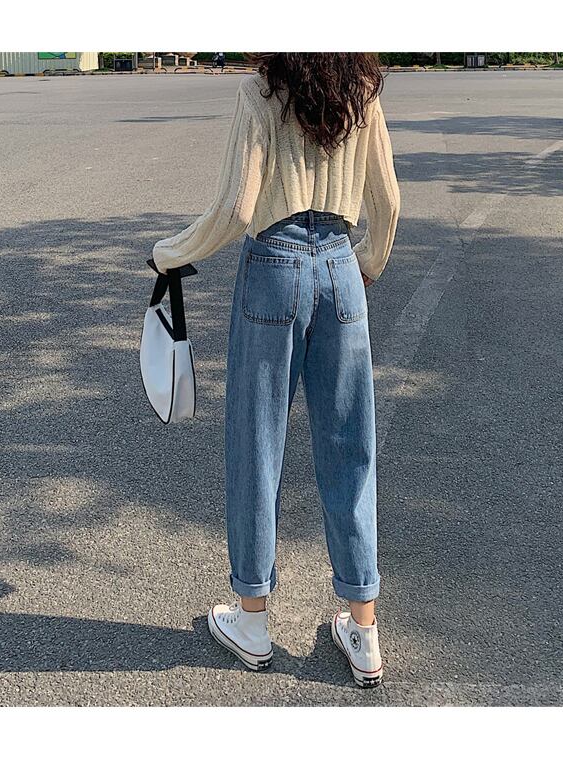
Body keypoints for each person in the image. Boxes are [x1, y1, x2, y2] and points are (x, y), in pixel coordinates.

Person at [151, 52, 400, 688]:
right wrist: (366, 263)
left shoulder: (261, 92)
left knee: (257, 444)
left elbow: (238, 209)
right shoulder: (362, 91)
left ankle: (253, 618)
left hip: (273, 268)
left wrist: (171, 252)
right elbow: (388, 200)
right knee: (351, 447)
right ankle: (364, 629)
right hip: (341, 266)